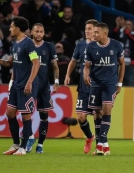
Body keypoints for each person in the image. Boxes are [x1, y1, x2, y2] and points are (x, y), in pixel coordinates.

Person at [0, 17, 40, 155]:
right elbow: (10, 63)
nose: (9, 29)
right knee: (10, 113)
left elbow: (36, 63)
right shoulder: (15, 44)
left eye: (11, 26)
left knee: (26, 115)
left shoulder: (28, 44)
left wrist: (30, 82)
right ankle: (15, 144)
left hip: (27, 84)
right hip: (16, 84)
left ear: (18, 29)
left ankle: (24, 147)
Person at [84, 22, 125, 155]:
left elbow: (122, 64)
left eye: (96, 32)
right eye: (93, 32)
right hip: (95, 84)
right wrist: (86, 75)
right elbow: (87, 65)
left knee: (107, 110)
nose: (94, 35)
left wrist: (119, 83)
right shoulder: (90, 47)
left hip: (110, 84)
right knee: (97, 113)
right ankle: (104, 145)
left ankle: (100, 143)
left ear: (105, 33)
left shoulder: (116, 45)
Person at [64, 19, 99, 154]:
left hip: (97, 87)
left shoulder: (102, 46)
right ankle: (90, 137)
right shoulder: (81, 45)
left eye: (90, 29)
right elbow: (73, 61)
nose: (87, 31)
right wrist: (67, 75)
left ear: (96, 31)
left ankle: (99, 145)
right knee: (81, 117)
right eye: (86, 29)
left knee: (98, 116)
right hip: (83, 87)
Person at [25, 23, 59, 153]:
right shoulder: (27, 45)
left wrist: (56, 81)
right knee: (26, 113)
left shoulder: (49, 47)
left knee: (44, 115)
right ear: (32, 32)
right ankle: (30, 137)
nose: (39, 34)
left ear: (44, 33)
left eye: (41, 32)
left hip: (44, 86)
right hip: (30, 84)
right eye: (36, 31)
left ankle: (40, 145)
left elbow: (55, 66)